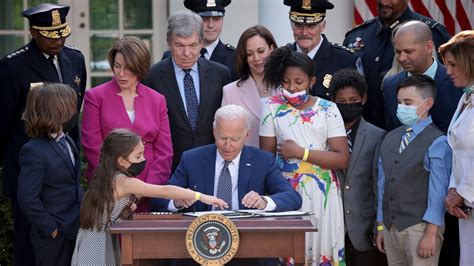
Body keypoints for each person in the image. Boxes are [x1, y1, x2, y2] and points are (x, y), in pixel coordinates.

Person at [0, 3, 86, 265]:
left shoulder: (76, 58)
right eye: (50, 35)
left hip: (64, 161)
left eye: (61, 33)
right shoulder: (13, 67)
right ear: (33, 32)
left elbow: (75, 110)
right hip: (29, 168)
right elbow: (3, 122)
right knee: (31, 251)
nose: (58, 40)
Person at [71, 129, 227, 265]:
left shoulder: (112, 176)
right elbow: (164, 191)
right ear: (121, 161)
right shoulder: (123, 181)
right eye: (138, 156)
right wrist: (201, 196)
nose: (143, 160)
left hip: (100, 236)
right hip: (96, 240)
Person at [260, 46, 349, 265]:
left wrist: (301, 153)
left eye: (298, 82)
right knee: (289, 252)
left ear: (312, 81)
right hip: (285, 191)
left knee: (321, 251)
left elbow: (341, 158)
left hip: (323, 194)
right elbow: (266, 160)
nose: (291, 88)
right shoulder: (271, 107)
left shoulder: (329, 109)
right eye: (286, 82)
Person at [152, 104, 302, 213]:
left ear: (246, 136)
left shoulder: (263, 161)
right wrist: (177, 202)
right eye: (222, 137)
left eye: (235, 139)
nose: (228, 145)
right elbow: (160, 199)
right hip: (201, 237)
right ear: (214, 132)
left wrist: (264, 202)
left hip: (249, 238)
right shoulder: (192, 159)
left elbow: (292, 198)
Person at [81, 36, 173, 212]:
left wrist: (145, 189)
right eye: (117, 66)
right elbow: (92, 147)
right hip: (110, 190)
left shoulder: (157, 99)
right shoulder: (95, 97)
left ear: (141, 67)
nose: (121, 73)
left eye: (128, 67)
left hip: (149, 190)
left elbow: (165, 151)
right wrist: (120, 185)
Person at [375, 75, 451, 265]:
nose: (402, 107)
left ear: (427, 103)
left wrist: (431, 232)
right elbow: (382, 185)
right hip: (391, 227)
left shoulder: (438, 141)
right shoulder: (390, 138)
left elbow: (438, 191)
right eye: (399, 102)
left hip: (420, 227)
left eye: (408, 102)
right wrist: (381, 225)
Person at [142, 10, 231, 172]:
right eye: (180, 45)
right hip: (170, 169)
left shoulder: (221, 74)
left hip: (212, 167)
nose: (187, 53)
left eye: (193, 45)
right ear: (169, 42)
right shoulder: (151, 78)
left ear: (201, 42)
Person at [344, 0, 451, 129]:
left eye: (409, 51)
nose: (384, 2)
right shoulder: (358, 35)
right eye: (398, 52)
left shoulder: (432, 32)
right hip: (371, 130)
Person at [17, 83, 83, 265]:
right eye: (69, 105)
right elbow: (27, 197)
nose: (73, 109)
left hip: (75, 227)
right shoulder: (33, 150)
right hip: (53, 237)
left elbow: (74, 184)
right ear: (55, 110)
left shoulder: (67, 140)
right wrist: (51, 229)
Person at [330, 69, 387, 266]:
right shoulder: (323, 133)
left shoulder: (376, 135)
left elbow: (379, 185)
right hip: (332, 227)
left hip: (364, 229)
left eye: (352, 99)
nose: (347, 105)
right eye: (341, 101)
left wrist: (379, 225)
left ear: (363, 99)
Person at [383, 21, 463, 133]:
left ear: (428, 47)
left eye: (408, 51)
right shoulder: (390, 85)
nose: (401, 58)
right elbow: (391, 131)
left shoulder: (457, 81)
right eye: (398, 52)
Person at [440, 30, 474, 266]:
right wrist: (454, 191)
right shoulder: (465, 98)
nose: (448, 71)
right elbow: (458, 150)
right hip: (466, 208)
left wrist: (463, 192)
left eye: (453, 64)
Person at [284, 0, 362, 99]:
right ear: (292, 26)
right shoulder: (281, 58)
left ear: (323, 26)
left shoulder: (345, 60)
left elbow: (353, 106)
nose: (304, 32)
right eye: (299, 25)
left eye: (311, 26)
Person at [221, 25, 277, 147]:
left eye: (261, 51)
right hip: (248, 162)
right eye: (249, 54)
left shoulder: (287, 87)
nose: (256, 58)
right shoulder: (230, 91)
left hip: (285, 163)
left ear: (271, 49)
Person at [162, 0, 238, 81]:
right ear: (193, 20)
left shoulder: (235, 58)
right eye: (204, 19)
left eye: (216, 19)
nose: (211, 25)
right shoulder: (171, 56)